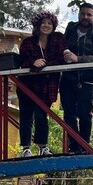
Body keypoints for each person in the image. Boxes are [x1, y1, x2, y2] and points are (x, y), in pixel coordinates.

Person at [61, 2, 93, 153]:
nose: (85, 17)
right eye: (83, 14)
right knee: (68, 113)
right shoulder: (71, 29)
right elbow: (61, 46)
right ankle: (74, 145)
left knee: (85, 113)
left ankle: (84, 145)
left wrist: (78, 59)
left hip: (87, 79)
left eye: (89, 14)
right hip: (68, 78)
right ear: (78, 15)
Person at [17, 11, 66, 157]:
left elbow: (60, 58)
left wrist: (42, 65)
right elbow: (22, 62)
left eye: (49, 23)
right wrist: (33, 62)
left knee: (41, 116)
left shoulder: (57, 40)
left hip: (47, 86)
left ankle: (43, 147)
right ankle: (25, 148)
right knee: (26, 116)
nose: (46, 25)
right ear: (37, 25)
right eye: (43, 23)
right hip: (28, 85)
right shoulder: (28, 42)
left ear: (53, 26)